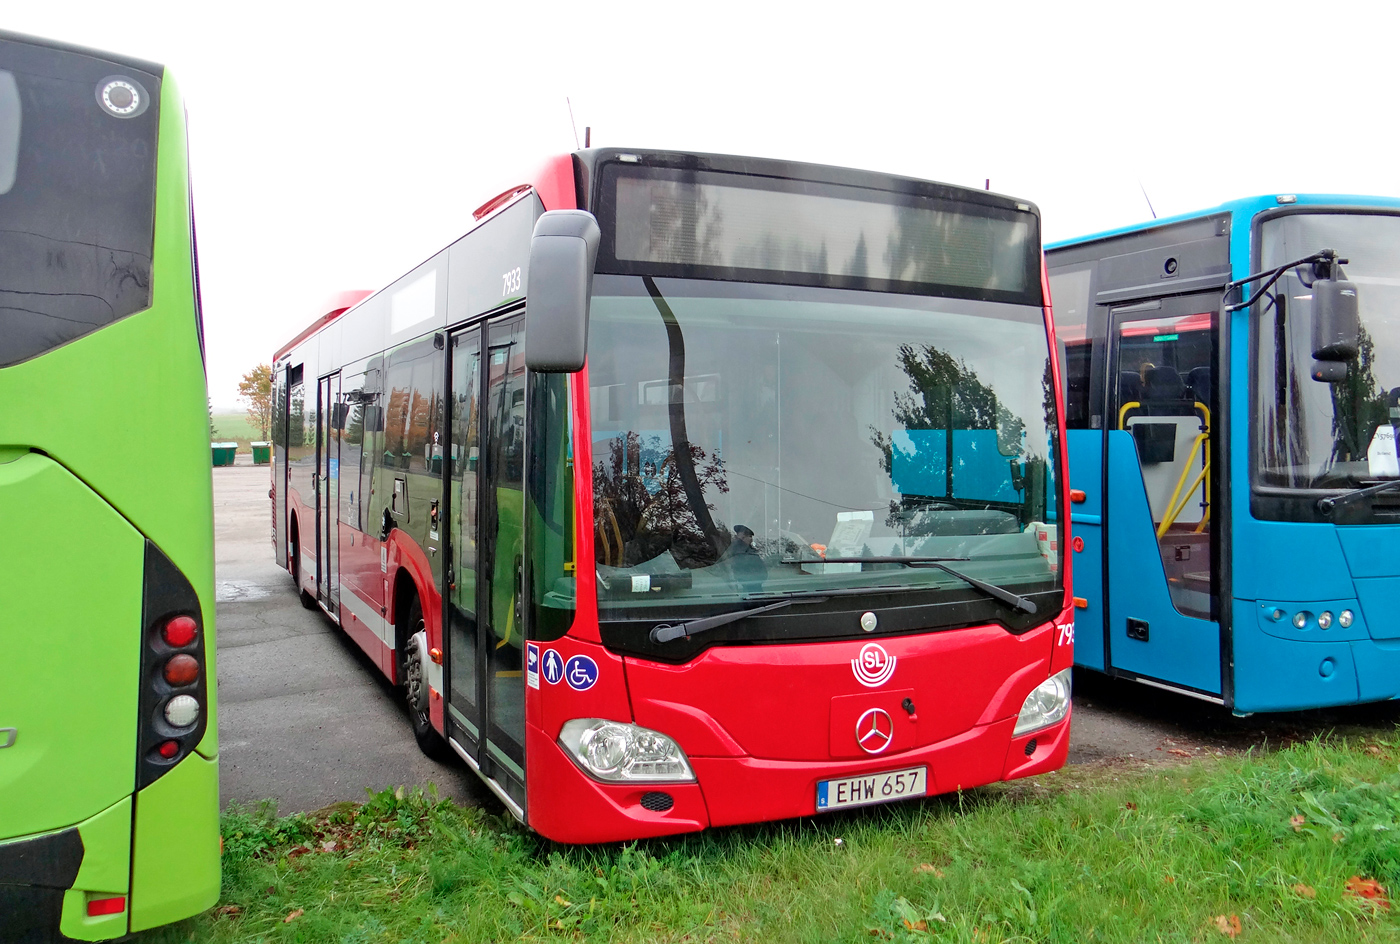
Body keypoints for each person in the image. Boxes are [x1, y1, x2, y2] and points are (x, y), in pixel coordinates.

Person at [720, 524, 767, 590]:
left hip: (752, 584)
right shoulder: (737, 549)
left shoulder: (747, 548)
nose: (751, 539)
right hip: (747, 586)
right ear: (742, 537)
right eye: (749, 536)